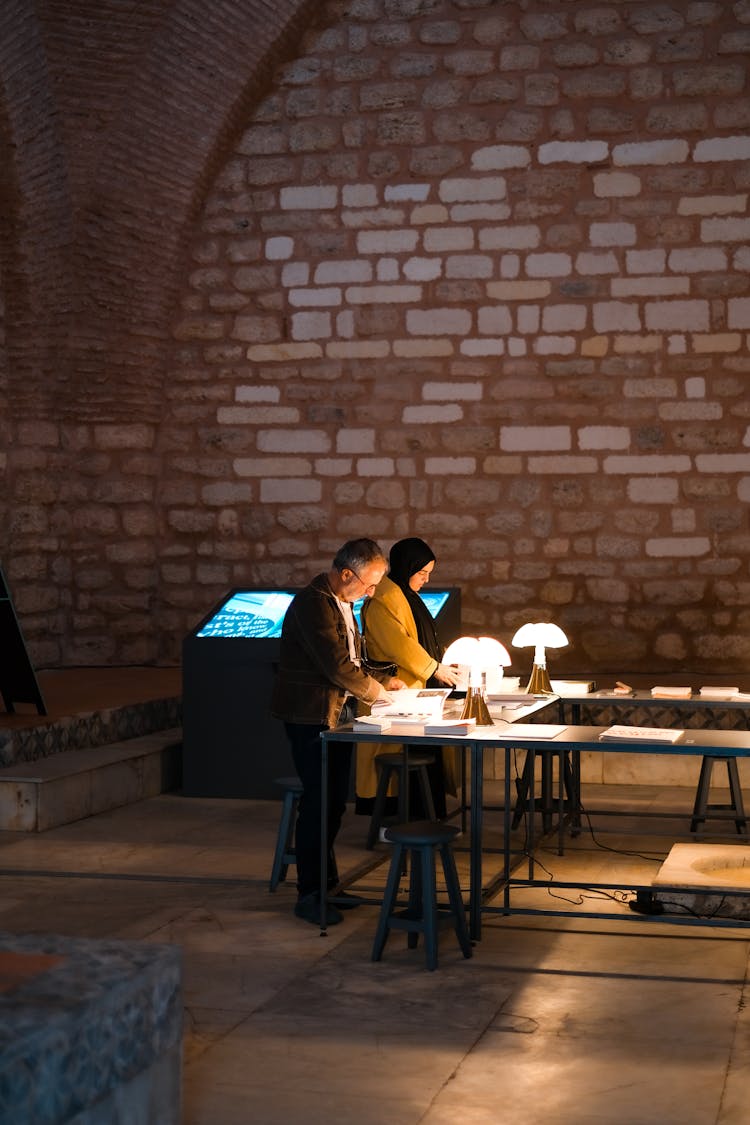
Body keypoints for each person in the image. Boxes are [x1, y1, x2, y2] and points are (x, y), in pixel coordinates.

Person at [271, 539, 406, 926]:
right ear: (347, 573)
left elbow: (353, 659)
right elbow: (334, 665)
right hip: (310, 716)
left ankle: (328, 885)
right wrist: (378, 693)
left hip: (337, 714)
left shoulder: (344, 602)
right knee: (319, 803)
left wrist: (385, 679)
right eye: (369, 584)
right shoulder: (313, 604)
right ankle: (309, 894)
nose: (372, 592)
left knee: (333, 804)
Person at [358, 536, 460, 820]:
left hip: (417, 694)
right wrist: (434, 668)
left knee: (426, 756)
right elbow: (398, 645)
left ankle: (427, 821)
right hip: (397, 692)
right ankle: (401, 824)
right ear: (407, 568)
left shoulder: (405, 596)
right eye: (422, 573)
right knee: (403, 760)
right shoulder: (385, 599)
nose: (425, 580)